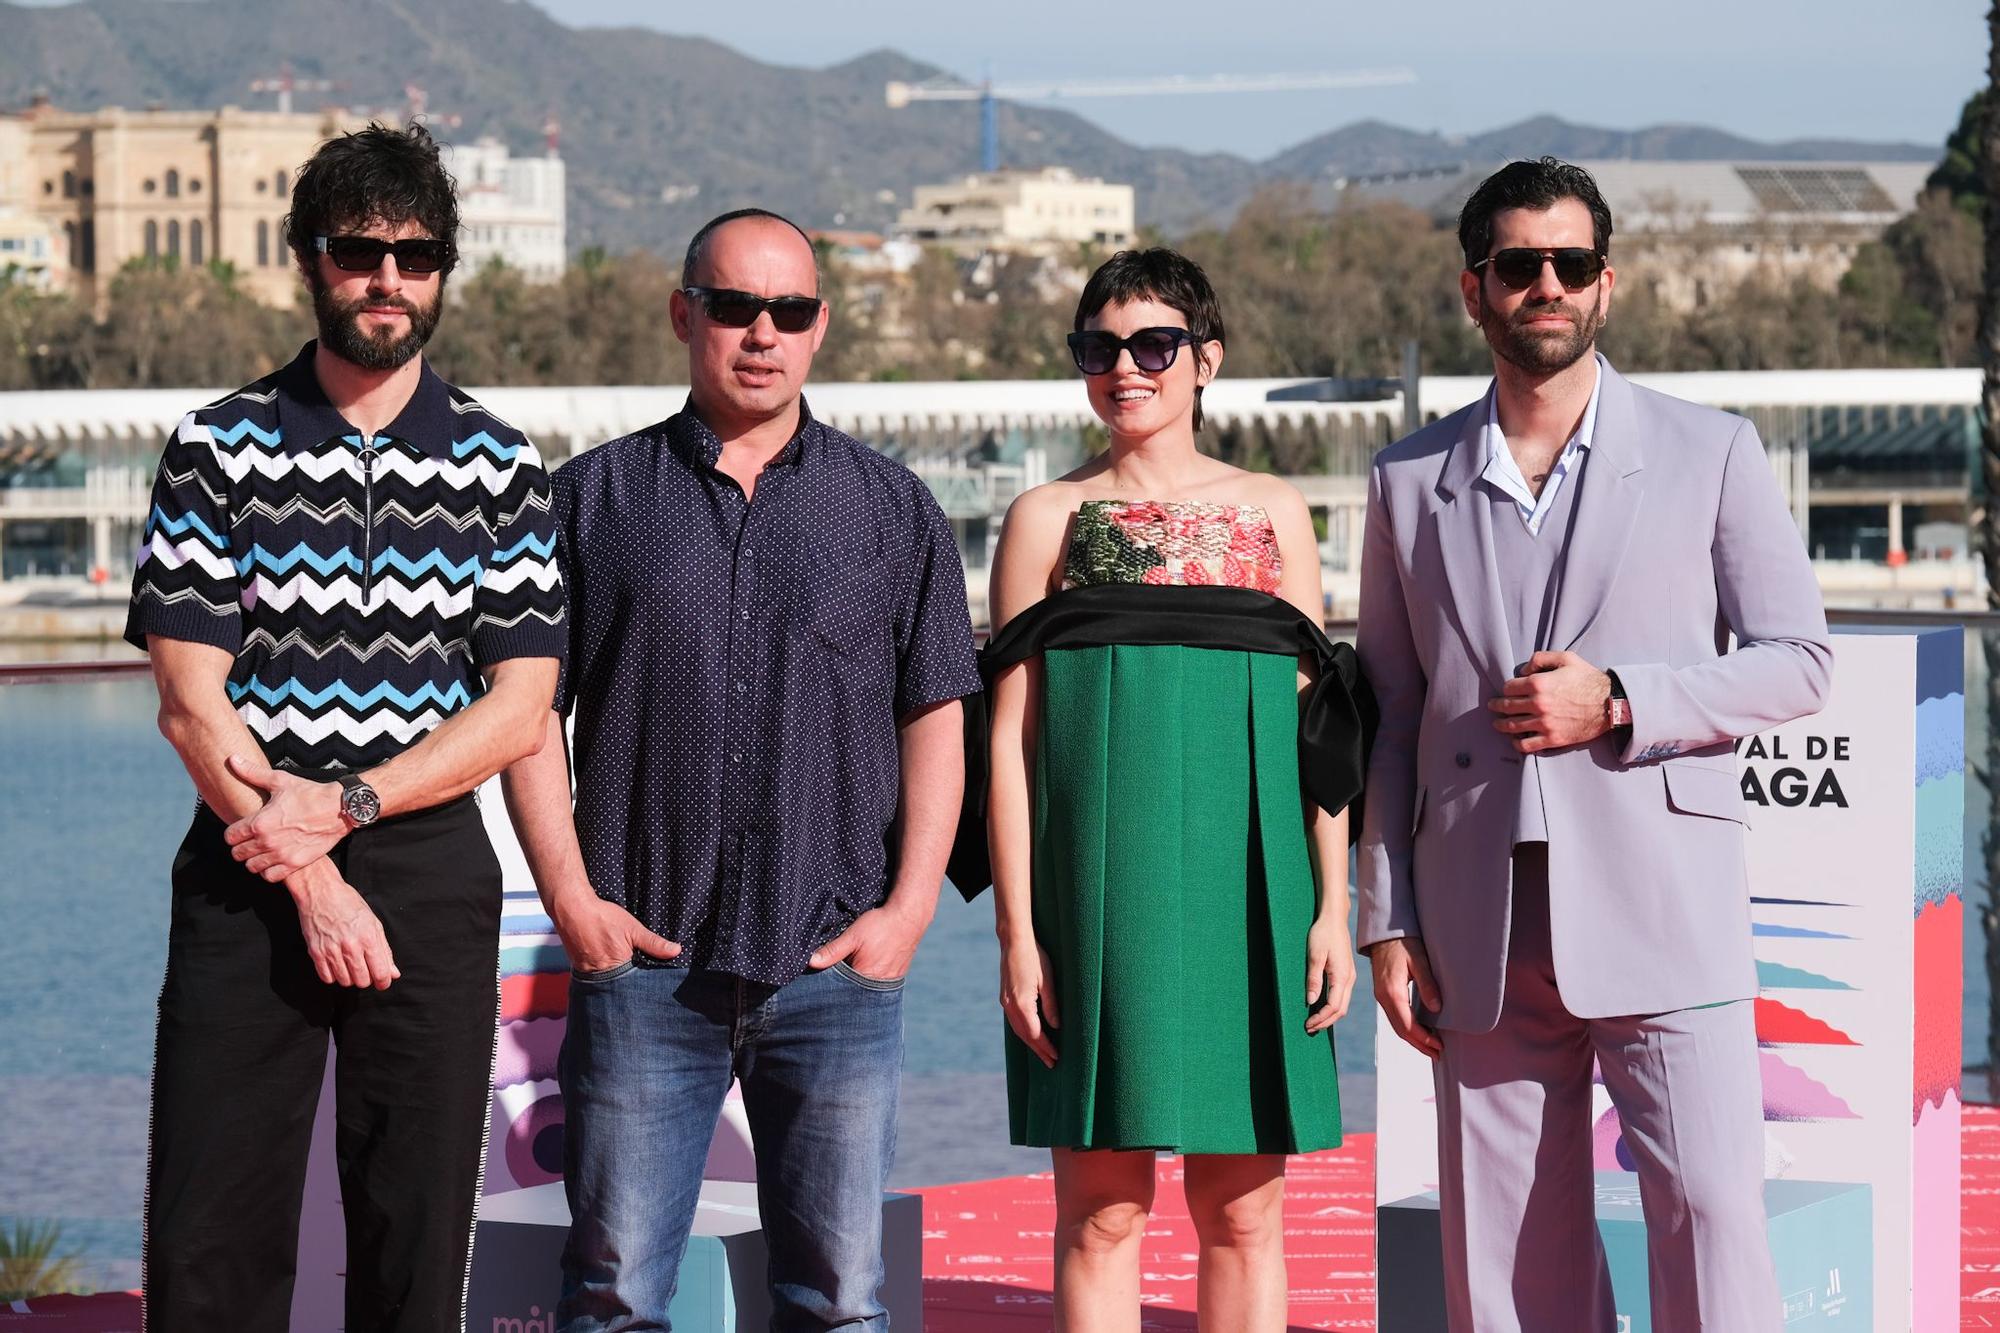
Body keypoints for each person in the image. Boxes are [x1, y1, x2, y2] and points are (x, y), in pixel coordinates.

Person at [1356, 157, 1834, 1332]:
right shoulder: (1406, 479)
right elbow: (1392, 714)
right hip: (1476, 915)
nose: (1546, 286)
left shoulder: (1709, 449)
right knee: (1505, 1250)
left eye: (1569, 264)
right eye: (1518, 266)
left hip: (1663, 901)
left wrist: (1620, 698)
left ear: (1604, 284)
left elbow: (1798, 659)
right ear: (1473, 291)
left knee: (1710, 1221)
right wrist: (1385, 915)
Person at [500, 207, 980, 1331]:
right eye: (733, 306)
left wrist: (908, 910)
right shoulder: (586, 503)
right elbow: (527, 718)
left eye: (790, 310)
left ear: (818, 330)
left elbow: (938, 715)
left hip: (834, 969)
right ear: (684, 314)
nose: (761, 332)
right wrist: (572, 900)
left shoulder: (894, 510)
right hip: (643, 966)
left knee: (840, 1303)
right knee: (611, 1296)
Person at [127, 122, 567, 1330]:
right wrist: (311, 866)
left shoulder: (501, 464)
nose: (387, 278)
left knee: (413, 1230)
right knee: (214, 1225)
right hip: (246, 858)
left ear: (442, 270)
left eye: (415, 255)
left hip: (428, 865)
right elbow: (188, 700)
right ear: (306, 259)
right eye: (359, 250)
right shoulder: (218, 445)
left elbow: (520, 705)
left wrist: (352, 807)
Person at [973, 247, 1372, 1332]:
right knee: (1100, 1212)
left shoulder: (1273, 511)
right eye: (1098, 348)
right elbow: (1004, 742)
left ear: (1205, 361)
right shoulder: (1044, 520)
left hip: (1256, 894)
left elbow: (1318, 730)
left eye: (1152, 345)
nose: (1125, 369)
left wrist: (1331, 908)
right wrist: (1016, 933)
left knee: (1244, 1210)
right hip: (1094, 898)